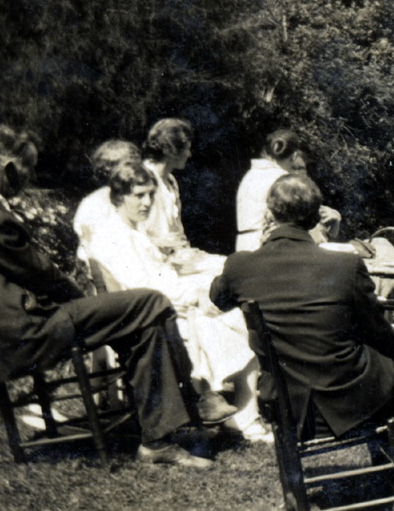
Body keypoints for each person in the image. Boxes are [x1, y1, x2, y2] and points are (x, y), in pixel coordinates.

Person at [0, 126, 233, 467]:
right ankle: (191, 401)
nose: (31, 176)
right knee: (152, 302)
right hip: (22, 332)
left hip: (10, 326)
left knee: (146, 321)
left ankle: (161, 435)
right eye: (29, 168)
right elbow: (42, 274)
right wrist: (85, 303)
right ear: (10, 167)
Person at [211, 173, 394, 457]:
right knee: (391, 368)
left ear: (269, 214)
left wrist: (262, 244)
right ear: (315, 218)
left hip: (287, 408)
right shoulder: (345, 265)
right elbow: (376, 329)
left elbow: (218, 298)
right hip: (349, 402)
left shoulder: (240, 266)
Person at [86, 161, 267, 439]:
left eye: (150, 194)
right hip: (145, 316)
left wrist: (197, 291)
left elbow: (159, 278)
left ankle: (233, 409)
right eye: (139, 195)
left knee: (230, 313)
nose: (147, 202)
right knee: (232, 317)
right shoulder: (115, 236)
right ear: (119, 197)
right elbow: (145, 289)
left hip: (160, 304)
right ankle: (234, 412)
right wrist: (195, 297)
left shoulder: (133, 230)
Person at [236, 129, 340, 252]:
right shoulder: (282, 179)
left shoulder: (251, 175)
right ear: (294, 155)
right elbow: (307, 214)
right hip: (269, 244)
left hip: (245, 244)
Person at [73, 138, 142, 262]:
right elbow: (88, 249)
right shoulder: (94, 203)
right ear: (109, 170)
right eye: (129, 166)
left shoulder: (132, 197)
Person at [140, 117, 194, 254]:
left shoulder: (171, 181)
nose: (189, 154)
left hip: (173, 256)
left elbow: (176, 230)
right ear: (172, 151)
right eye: (187, 149)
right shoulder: (142, 178)